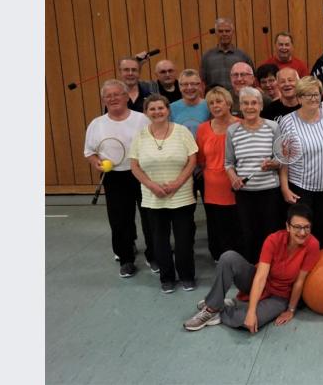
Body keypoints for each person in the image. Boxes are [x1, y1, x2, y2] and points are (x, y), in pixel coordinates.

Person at [183, 204, 319, 333]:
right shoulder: (273, 240)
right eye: (297, 227)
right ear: (288, 227)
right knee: (228, 257)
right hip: (260, 281)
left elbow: (299, 282)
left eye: (307, 227)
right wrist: (251, 311)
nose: (302, 232)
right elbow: (260, 277)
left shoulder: (312, 245)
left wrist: (291, 310)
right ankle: (212, 309)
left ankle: (220, 307)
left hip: (279, 297)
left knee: (251, 322)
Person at [84, 80, 154, 277]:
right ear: (104, 100)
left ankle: (154, 255)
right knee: (119, 220)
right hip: (114, 177)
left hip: (142, 173)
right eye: (108, 96)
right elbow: (89, 152)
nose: (113, 98)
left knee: (150, 216)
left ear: (126, 97)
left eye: (117, 94)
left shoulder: (142, 119)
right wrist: (96, 163)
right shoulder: (97, 124)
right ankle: (126, 259)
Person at [129, 94, 198, 294]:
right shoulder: (140, 135)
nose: (157, 112)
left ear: (168, 110)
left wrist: (177, 184)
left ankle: (187, 276)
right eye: (152, 109)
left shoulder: (182, 132)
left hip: (182, 196)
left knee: (184, 240)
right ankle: (166, 278)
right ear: (146, 113)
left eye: (161, 108)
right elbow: (134, 165)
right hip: (153, 198)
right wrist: (152, 186)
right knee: (159, 241)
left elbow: (192, 160)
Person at [279, 76, 323, 248]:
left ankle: (322, 271)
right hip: (301, 188)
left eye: (316, 94)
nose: (313, 98)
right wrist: (285, 187)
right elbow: (284, 158)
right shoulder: (288, 122)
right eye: (307, 95)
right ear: (299, 98)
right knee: (301, 232)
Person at [225, 87, 285, 263]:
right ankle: (251, 272)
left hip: (270, 192)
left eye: (254, 103)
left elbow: (280, 159)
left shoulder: (273, 127)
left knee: (271, 233)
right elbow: (228, 163)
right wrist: (234, 178)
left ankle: (271, 270)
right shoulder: (232, 131)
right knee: (248, 233)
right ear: (240, 107)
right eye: (245, 103)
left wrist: (273, 163)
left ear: (260, 106)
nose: (250, 107)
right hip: (245, 193)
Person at [196, 87, 240, 262]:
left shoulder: (241, 124)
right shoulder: (202, 129)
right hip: (212, 185)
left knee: (236, 223)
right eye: (211, 103)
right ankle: (219, 257)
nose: (215, 105)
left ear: (228, 103)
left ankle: (237, 259)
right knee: (216, 224)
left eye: (219, 101)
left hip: (235, 184)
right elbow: (200, 158)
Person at [200, 18, 254, 91]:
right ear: (216, 33)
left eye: (227, 31)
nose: (224, 34)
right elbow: (202, 82)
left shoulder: (242, 56)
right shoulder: (207, 57)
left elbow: (251, 80)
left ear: (232, 32)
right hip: (215, 99)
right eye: (220, 31)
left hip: (238, 98)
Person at [170, 69, 210, 138]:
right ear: (179, 87)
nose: (189, 87)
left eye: (193, 84)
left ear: (200, 85)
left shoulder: (210, 106)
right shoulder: (171, 108)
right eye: (185, 84)